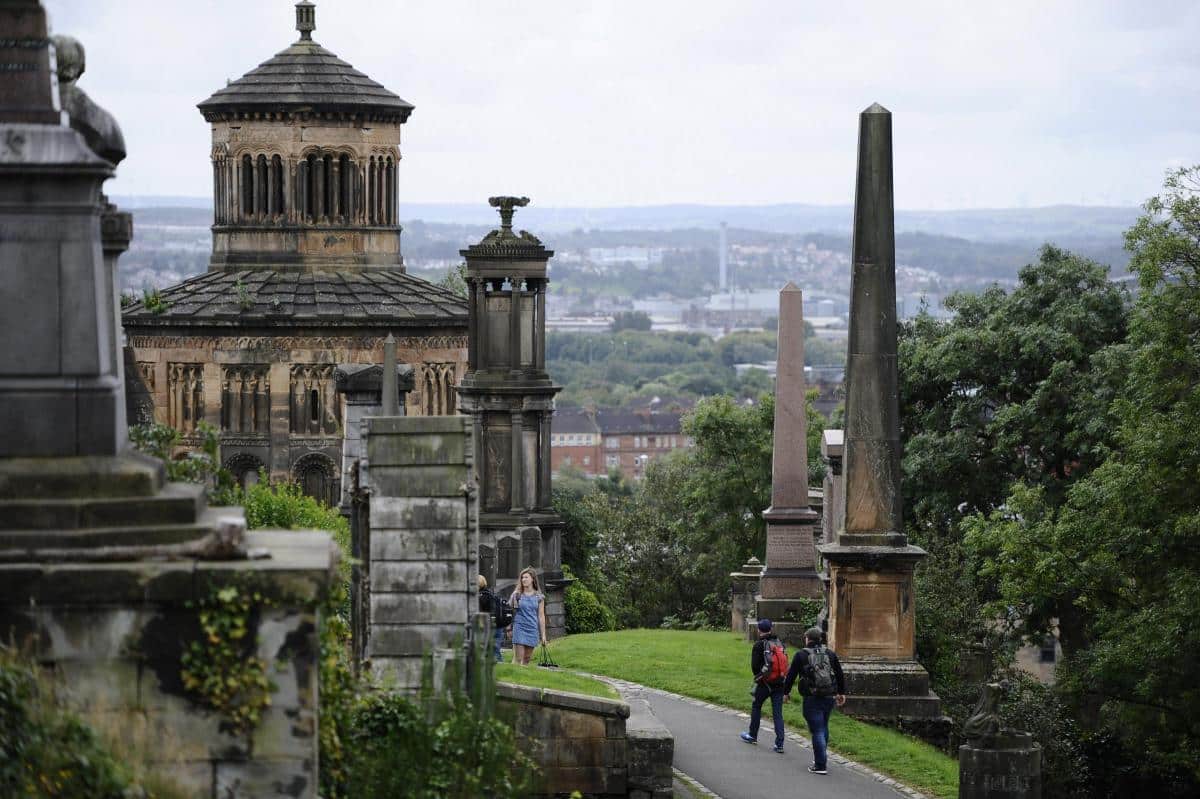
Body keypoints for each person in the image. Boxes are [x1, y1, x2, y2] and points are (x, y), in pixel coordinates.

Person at [782, 626, 847, 775]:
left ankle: (820, 765)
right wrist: (841, 692)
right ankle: (821, 757)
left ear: (807, 639)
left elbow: (791, 676)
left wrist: (786, 693)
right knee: (823, 726)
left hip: (811, 698)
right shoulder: (830, 654)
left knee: (817, 730)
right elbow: (839, 673)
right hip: (829, 696)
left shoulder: (801, 655)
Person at [739, 618, 788, 753]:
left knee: (756, 706)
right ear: (771, 629)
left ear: (759, 630)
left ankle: (753, 735)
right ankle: (779, 744)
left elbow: (755, 666)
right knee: (777, 714)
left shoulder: (759, 645)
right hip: (779, 683)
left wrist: (759, 677)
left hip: (764, 683)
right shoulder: (780, 643)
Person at [508, 566, 548, 665]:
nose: (523, 580)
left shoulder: (539, 597)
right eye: (522, 577)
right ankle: (513, 678)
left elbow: (541, 616)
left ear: (533, 579)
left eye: (526, 577)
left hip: (532, 629)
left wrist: (543, 635)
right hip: (519, 627)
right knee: (518, 658)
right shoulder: (516, 595)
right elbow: (509, 611)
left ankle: (522, 680)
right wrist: (508, 628)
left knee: (526, 659)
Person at [476, 575, 506, 663]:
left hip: (488, 626)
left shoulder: (480, 597)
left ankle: (499, 668)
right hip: (498, 624)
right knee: (496, 649)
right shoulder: (491, 594)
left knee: (489, 650)